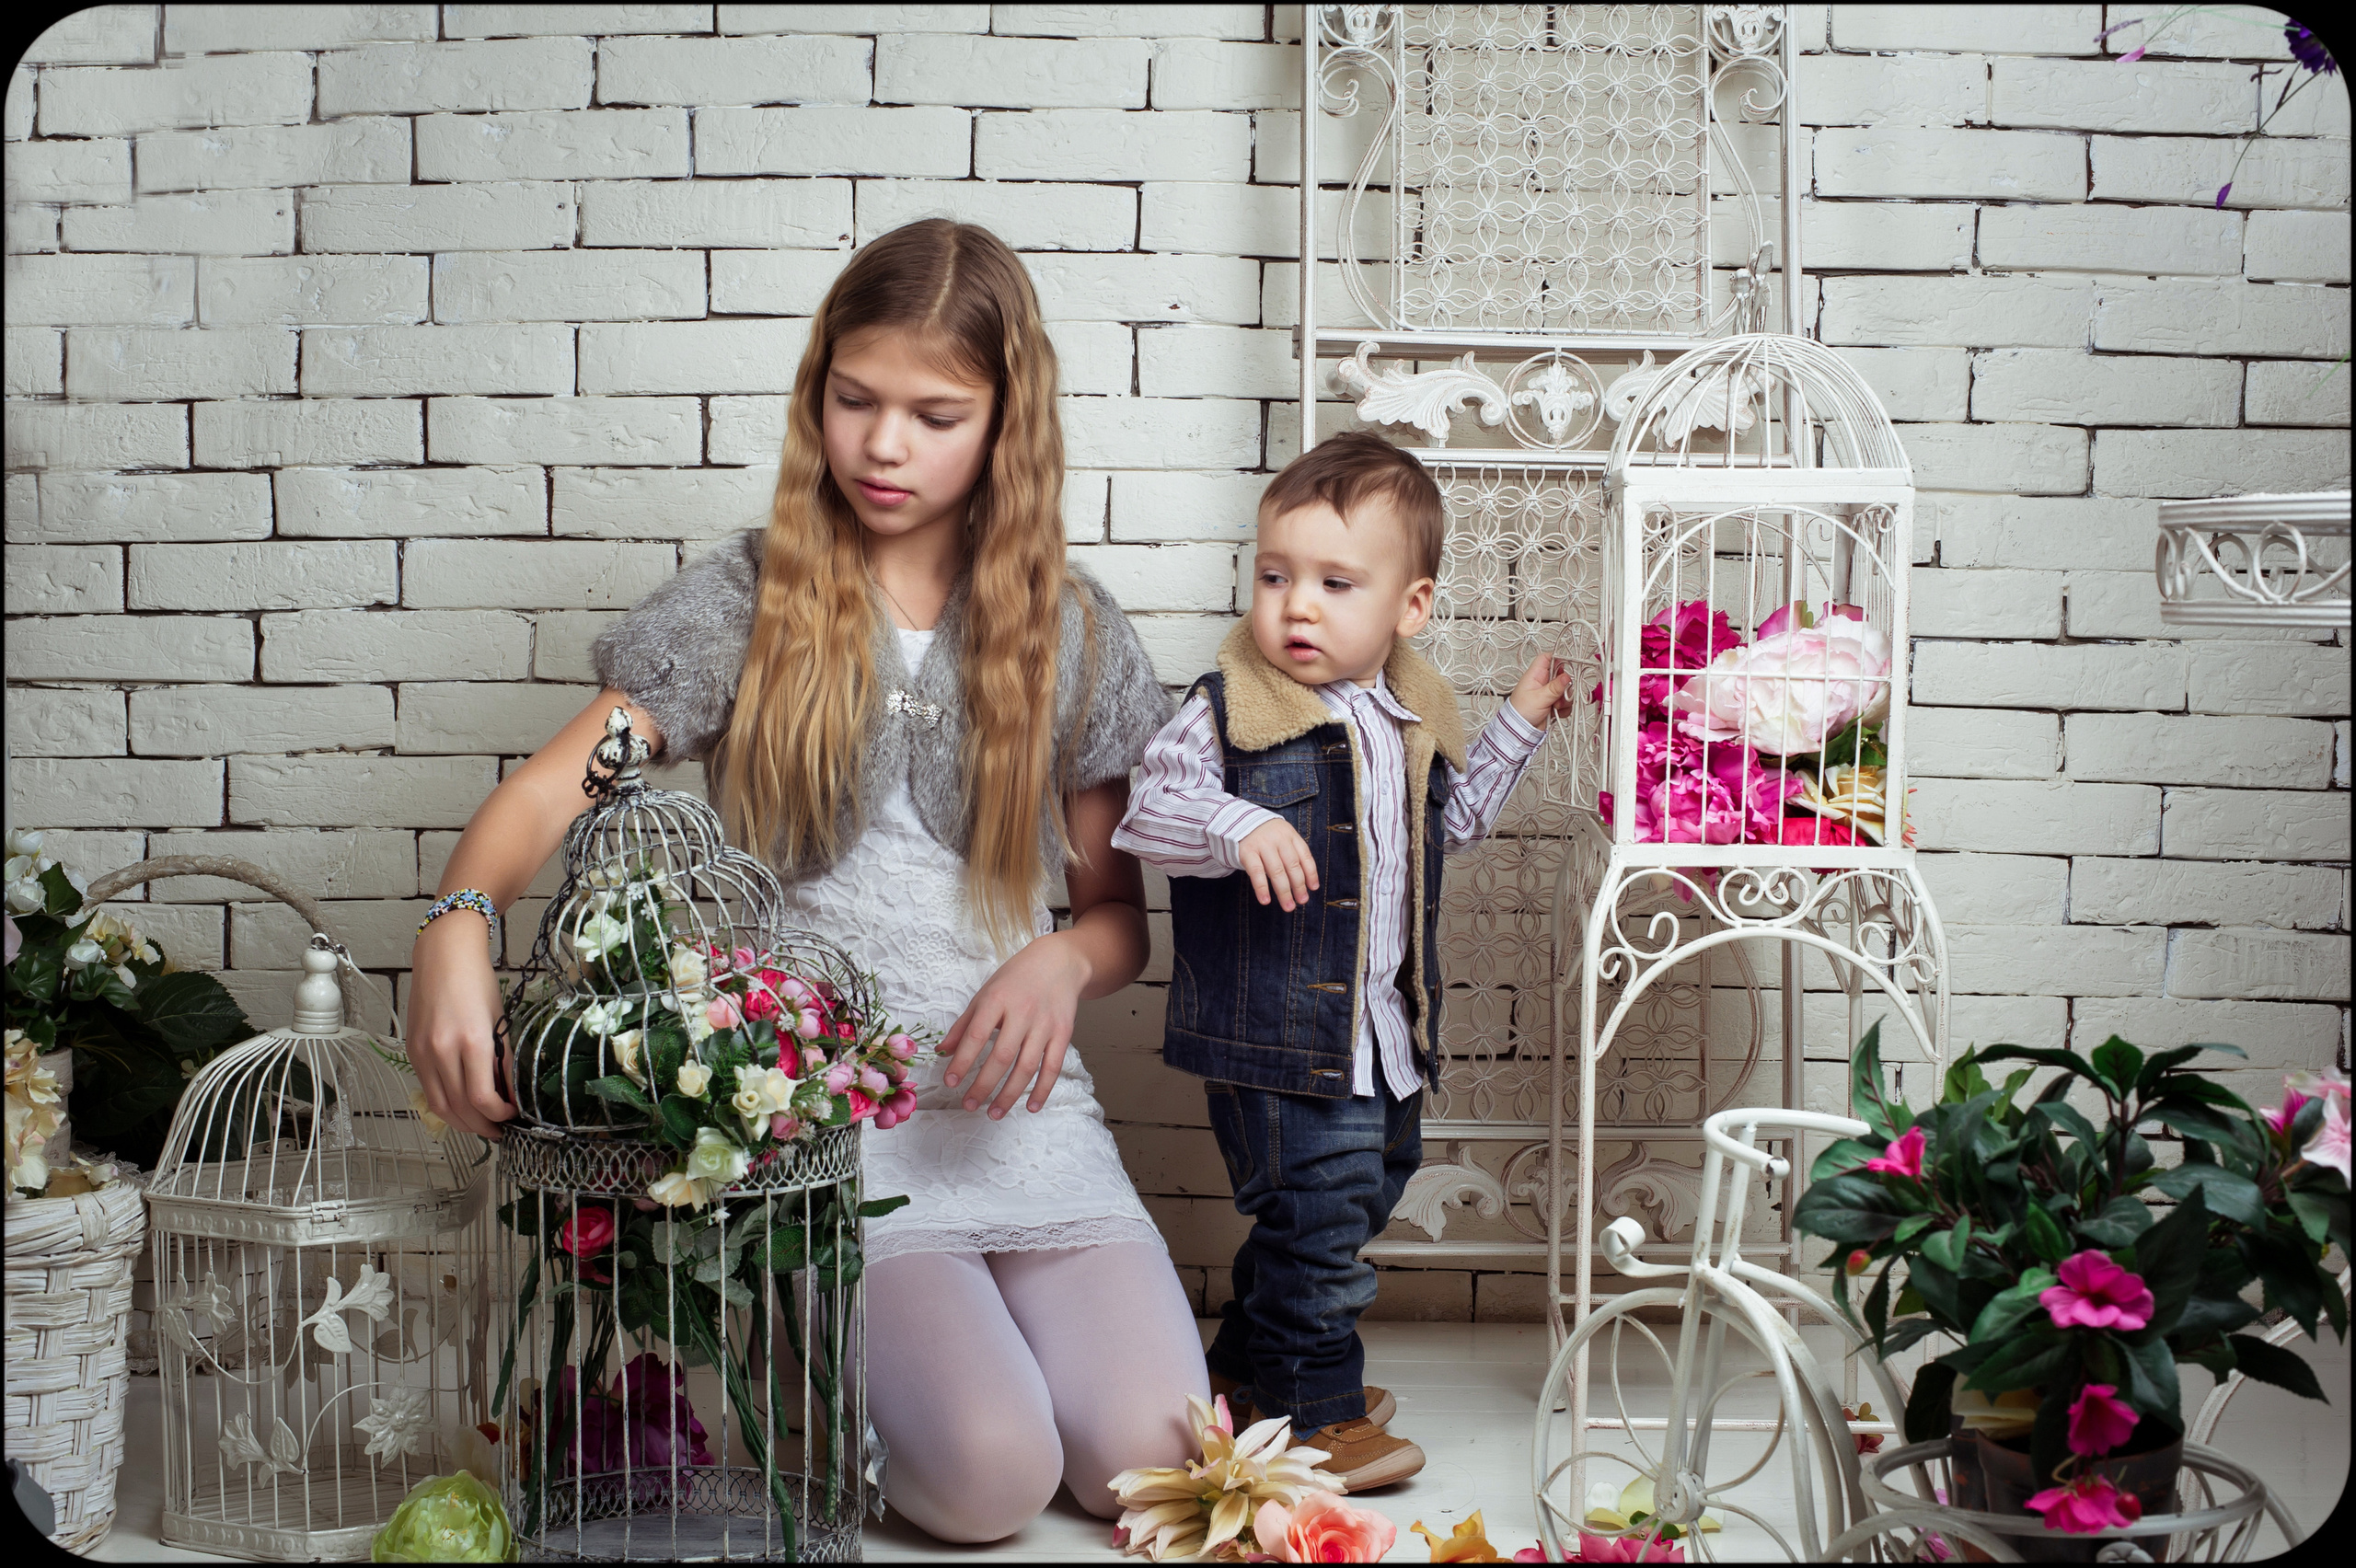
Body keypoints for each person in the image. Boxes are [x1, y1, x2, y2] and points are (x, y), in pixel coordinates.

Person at [405, 219, 1207, 1544]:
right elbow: (555, 788)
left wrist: (1062, 958)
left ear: (1008, 423)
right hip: (828, 1137)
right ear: (817, 391)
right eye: (854, 399)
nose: (884, 445)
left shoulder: (1073, 631)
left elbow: (1117, 919)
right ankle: (808, 1344)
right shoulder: (746, 605)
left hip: (1022, 1122)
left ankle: (939, 1344)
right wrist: (458, 922)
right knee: (992, 1484)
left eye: (935, 414)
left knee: (1158, 1469)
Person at [1112, 431, 1578, 1490]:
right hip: (1280, 1042)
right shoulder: (1225, 714)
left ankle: (1250, 1370)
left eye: (1333, 582)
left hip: (1382, 1033)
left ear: (1409, 608)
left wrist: (1515, 724)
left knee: (1366, 1194)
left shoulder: (1405, 718)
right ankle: (1317, 1409)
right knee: (1320, 1227)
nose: (1295, 606)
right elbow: (1147, 814)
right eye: (1274, 576)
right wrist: (1235, 826)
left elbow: (1445, 826)